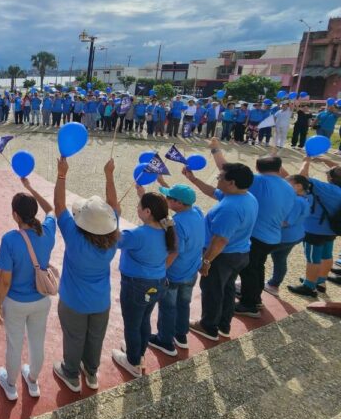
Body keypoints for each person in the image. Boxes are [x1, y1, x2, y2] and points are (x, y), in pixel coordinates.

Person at [204, 143, 294, 319]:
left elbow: (227, 170)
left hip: (257, 236)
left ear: (257, 168)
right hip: (274, 235)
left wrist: (215, 149)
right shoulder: (287, 185)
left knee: (250, 270)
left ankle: (250, 304)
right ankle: (255, 298)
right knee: (256, 267)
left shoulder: (259, 181)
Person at [52, 157, 119, 392]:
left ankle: (71, 373)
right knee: (96, 337)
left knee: (74, 337)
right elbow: (114, 205)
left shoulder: (75, 237)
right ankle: (91, 373)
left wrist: (62, 175)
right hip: (101, 300)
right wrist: (109, 175)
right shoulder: (113, 238)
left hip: (73, 301)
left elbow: (59, 206)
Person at [0, 178, 56, 400]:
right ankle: (32, 381)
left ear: (15, 215)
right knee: (37, 341)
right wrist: (31, 188)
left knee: (14, 343)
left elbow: (4, 281)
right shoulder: (47, 231)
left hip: (16, 302)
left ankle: (10, 385)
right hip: (41, 299)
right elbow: (51, 209)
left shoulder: (10, 239)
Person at [183, 162, 257, 341]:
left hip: (222, 256)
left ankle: (208, 326)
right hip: (240, 253)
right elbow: (212, 192)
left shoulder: (229, 208)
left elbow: (220, 240)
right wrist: (193, 179)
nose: (217, 178)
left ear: (231, 183)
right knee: (228, 288)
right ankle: (224, 324)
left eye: (220, 177)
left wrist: (206, 262)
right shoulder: (246, 197)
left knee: (212, 290)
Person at [110, 182, 175, 378]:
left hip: (135, 285)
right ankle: (138, 351)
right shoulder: (167, 229)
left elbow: (115, 238)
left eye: (139, 206)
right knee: (144, 319)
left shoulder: (137, 234)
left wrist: (116, 216)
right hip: (157, 282)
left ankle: (132, 361)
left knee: (132, 322)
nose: (137, 208)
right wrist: (143, 194)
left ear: (147, 212)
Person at [148, 182, 205, 356]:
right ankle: (181, 335)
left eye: (169, 198)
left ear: (178, 203)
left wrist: (161, 271)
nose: (166, 200)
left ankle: (165, 340)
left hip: (174, 273)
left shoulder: (177, 224)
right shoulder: (197, 212)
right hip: (191, 270)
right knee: (183, 303)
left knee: (168, 307)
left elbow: (174, 251)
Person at [288, 157, 341, 297]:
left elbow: (302, 178)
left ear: (331, 178)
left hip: (315, 228)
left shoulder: (327, 189)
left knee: (313, 258)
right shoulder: (337, 189)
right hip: (332, 228)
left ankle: (309, 286)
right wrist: (324, 159)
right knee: (327, 255)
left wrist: (307, 160)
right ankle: (320, 281)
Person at [266, 175, 310, 295]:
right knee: (280, 259)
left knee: (256, 258)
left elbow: (286, 222)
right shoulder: (304, 198)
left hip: (283, 237)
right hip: (294, 236)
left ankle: (249, 284)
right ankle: (274, 284)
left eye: (287, 184)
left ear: (298, 186)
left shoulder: (296, 201)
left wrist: (265, 224)